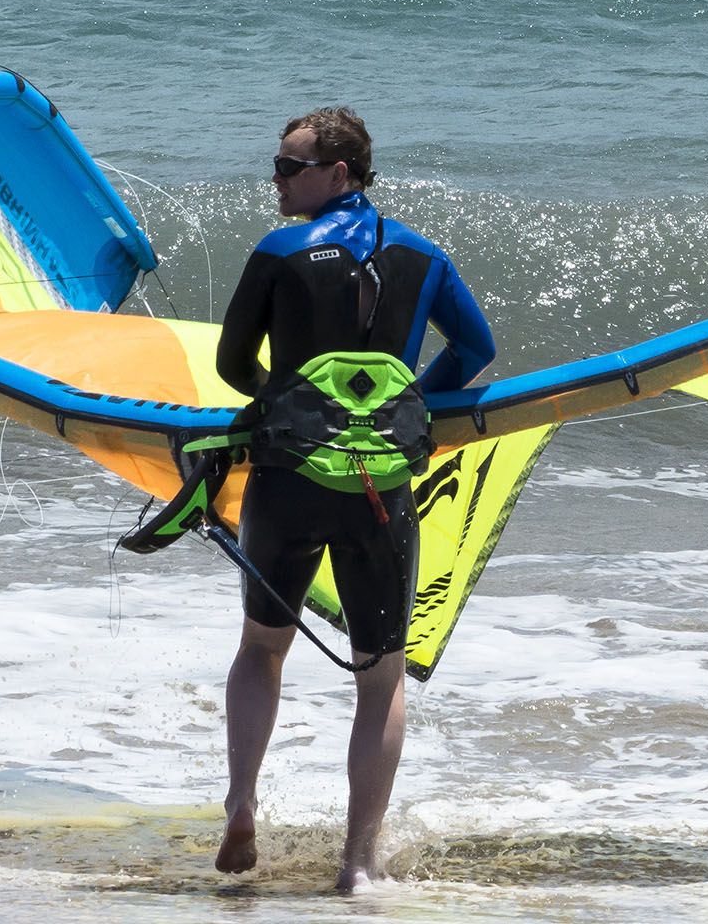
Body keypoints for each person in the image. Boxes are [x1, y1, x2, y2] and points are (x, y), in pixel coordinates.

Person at [212, 107, 495, 890]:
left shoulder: (278, 250)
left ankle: (241, 802)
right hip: (380, 492)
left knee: (262, 650)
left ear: (339, 173)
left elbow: (234, 363)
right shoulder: (424, 254)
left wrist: (284, 404)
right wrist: (406, 410)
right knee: (380, 677)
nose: (275, 179)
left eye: (289, 166)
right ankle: (359, 865)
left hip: (288, 481)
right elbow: (476, 350)